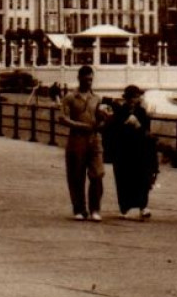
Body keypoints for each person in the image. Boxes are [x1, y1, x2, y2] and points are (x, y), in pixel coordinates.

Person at [57, 65, 108, 221]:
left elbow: (102, 119)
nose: (89, 82)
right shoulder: (70, 97)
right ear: (79, 78)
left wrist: (104, 120)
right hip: (77, 138)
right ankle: (79, 208)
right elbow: (62, 118)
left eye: (91, 79)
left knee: (97, 173)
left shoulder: (97, 98)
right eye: (86, 79)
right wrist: (80, 126)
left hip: (94, 139)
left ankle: (95, 209)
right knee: (76, 175)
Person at [106, 85, 157, 220]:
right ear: (127, 98)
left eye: (137, 97)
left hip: (139, 149)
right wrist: (124, 124)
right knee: (123, 178)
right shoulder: (119, 111)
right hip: (123, 149)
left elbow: (147, 132)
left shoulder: (142, 112)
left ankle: (143, 206)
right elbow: (114, 130)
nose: (135, 100)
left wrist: (138, 126)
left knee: (142, 177)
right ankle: (124, 207)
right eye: (133, 97)